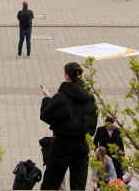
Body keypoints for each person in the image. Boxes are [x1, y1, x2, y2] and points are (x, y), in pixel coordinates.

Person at [39, 62, 98, 190]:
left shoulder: (62, 97)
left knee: (51, 182)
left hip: (63, 144)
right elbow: (94, 118)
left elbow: (46, 115)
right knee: (78, 184)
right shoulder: (90, 97)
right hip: (83, 144)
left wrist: (47, 99)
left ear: (67, 76)